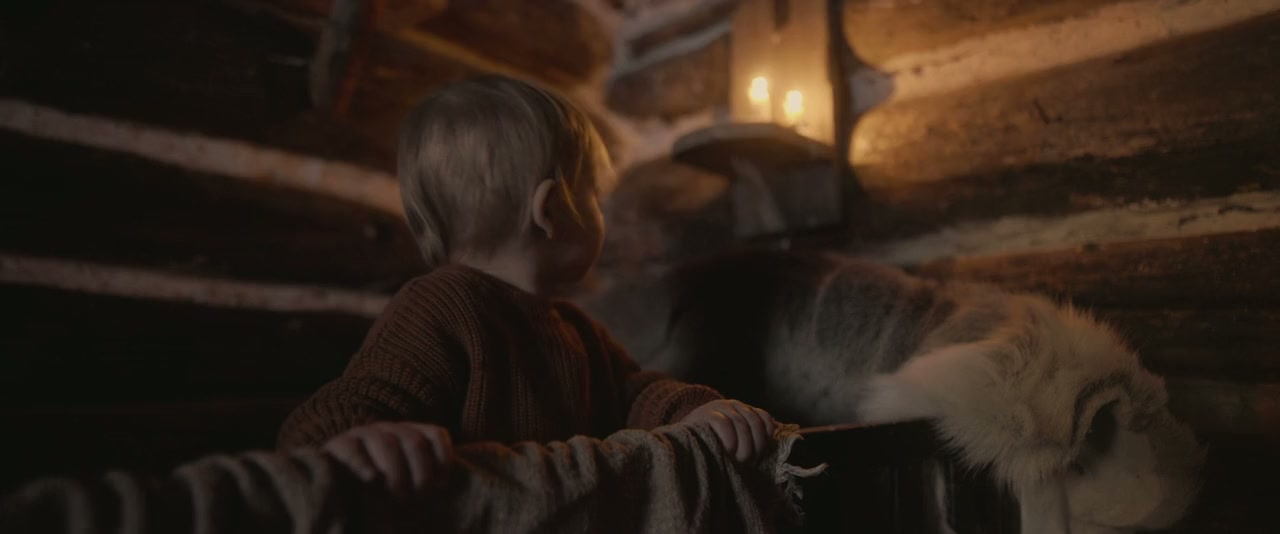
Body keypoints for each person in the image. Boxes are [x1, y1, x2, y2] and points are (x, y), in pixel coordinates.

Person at [277, 75, 779, 494]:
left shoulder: (576, 329)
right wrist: (354, 441)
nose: (600, 213)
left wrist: (698, 410)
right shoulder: (439, 305)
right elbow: (357, 399)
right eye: (593, 194)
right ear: (552, 209)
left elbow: (635, 394)